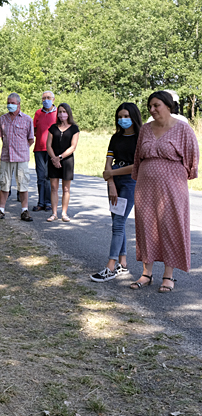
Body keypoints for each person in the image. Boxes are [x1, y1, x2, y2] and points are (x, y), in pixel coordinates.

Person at [129, 91, 199, 292]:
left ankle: (168, 276)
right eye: (149, 106)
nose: (152, 110)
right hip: (145, 186)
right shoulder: (145, 129)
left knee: (170, 226)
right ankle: (146, 273)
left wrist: (175, 177)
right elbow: (137, 157)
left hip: (173, 186)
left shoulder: (183, 129)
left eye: (156, 105)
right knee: (146, 226)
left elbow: (192, 157)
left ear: (168, 106)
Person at [90, 103, 142, 282]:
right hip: (114, 181)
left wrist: (112, 172)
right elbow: (108, 162)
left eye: (126, 116)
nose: (122, 120)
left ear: (133, 116)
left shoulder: (141, 138)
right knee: (117, 220)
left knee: (119, 223)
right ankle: (123, 264)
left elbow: (137, 166)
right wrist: (111, 181)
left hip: (130, 182)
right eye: (120, 116)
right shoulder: (115, 137)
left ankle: (110, 267)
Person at [0, 93, 35, 222]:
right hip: (6, 156)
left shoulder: (27, 119)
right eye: (8, 102)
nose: (10, 105)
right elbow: (2, 138)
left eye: (13, 103)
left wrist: (22, 148)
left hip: (21, 157)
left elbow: (31, 139)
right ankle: (1, 210)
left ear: (19, 104)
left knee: (23, 184)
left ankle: (24, 211)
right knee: (4, 183)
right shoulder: (2, 119)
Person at [46, 103, 80, 222]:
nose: (62, 114)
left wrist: (59, 157)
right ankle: (54, 213)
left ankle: (64, 213)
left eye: (64, 112)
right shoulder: (53, 128)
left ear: (68, 113)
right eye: (60, 112)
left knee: (66, 189)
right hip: (53, 160)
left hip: (67, 161)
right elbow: (48, 145)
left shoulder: (74, 128)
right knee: (54, 188)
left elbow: (73, 147)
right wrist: (54, 158)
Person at [32, 91, 57, 212]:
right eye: (43, 98)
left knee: (48, 177)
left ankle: (48, 203)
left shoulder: (58, 113)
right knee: (40, 177)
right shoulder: (38, 113)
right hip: (39, 149)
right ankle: (40, 202)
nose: (45, 100)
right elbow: (34, 130)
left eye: (48, 98)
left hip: (52, 150)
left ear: (53, 99)